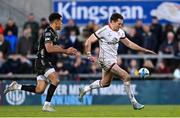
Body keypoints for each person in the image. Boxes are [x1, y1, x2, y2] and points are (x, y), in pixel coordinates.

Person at [79, 13, 156, 110]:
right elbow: (88, 41)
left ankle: (84, 89)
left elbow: (129, 44)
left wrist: (143, 49)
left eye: (121, 24)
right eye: (119, 24)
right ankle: (134, 103)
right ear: (112, 22)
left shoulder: (120, 32)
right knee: (126, 76)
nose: (121, 26)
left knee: (105, 83)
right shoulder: (104, 30)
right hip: (105, 60)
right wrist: (89, 54)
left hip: (113, 60)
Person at [4, 13, 78, 112]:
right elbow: (49, 48)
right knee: (55, 80)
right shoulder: (48, 32)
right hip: (43, 60)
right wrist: (65, 51)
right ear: (56, 22)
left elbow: (55, 47)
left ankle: (16, 86)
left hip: (42, 61)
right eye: (61, 21)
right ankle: (47, 105)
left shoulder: (54, 33)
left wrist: (67, 52)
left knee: (40, 89)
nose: (62, 23)